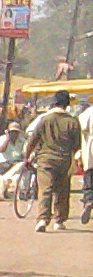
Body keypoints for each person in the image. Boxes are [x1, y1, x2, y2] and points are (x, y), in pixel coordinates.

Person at [24, 90, 83, 232]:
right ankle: (59, 221)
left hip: (45, 160)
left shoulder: (45, 119)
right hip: (64, 160)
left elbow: (33, 140)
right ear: (67, 104)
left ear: (54, 103)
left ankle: (43, 220)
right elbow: (77, 145)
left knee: (45, 190)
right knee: (62, 191)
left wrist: (27, 157)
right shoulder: (72, 121)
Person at [77, 95, 93, 224]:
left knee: (89, 179)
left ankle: (88, 201)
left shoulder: (88, 113)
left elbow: (80, 128)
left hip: (91, 150)